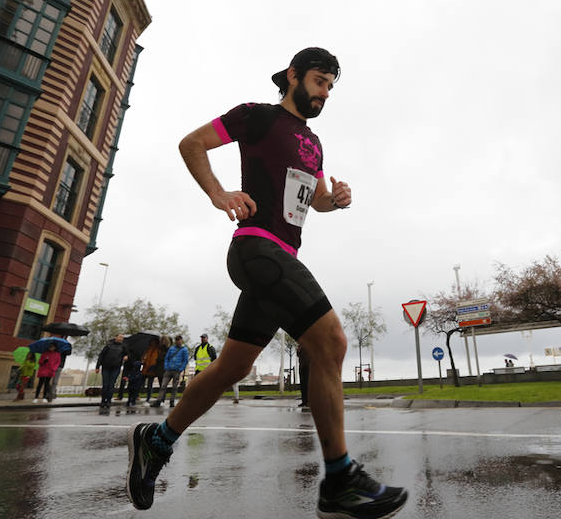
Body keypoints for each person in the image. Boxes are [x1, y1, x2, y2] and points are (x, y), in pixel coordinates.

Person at [125, 47, 407, 518]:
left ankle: (157, 439)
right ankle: (339, 480)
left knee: (232, 367)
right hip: (257, 249)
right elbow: (191, 144)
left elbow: (314, 200)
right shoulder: (256, 116)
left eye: (331, 87)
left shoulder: (314, 143)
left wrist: (336, 199)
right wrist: (220, 194)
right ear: (293, 75)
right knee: (331, 342)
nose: (325, 92)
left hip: (281, 259)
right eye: (320, 81)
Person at [151, 335, 189, 408]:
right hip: (169, 370)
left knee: (174, 387)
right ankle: (158, 401)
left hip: (177, 371)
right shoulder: (171, 348)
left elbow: (185, 361)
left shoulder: (184, 350)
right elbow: (167, 358)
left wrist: (181, 369)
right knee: (163, 386)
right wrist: (166, 366)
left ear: (181, 340)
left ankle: (172, 401)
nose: (178, 341)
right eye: (176, 340)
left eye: (179, 340)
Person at [95, 334, 128, 408]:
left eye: (122, 338)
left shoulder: (123, 346)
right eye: (120, 337)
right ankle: (103, 400)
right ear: (116, 337)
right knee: (105, 385)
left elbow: (127, 354)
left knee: (111, 385)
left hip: (116, 368)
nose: (121, 338)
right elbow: (101, 356)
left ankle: (109, 401)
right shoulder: (109, 345)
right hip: (106, 367)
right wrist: (97, 367)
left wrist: (126, 357)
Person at [140, 337, 161, 404]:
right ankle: (140, 393)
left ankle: (148, 398)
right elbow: (143, 357)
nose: (153, 343)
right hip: (145, 368)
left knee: (149, 385)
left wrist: (154, 366)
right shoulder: (148, 349)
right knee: (141, 383)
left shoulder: (158, 350)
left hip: (152, 369)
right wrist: (143, 360)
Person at [297, 343, 310, 408]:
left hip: (308, 366)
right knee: (302, 385)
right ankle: (304, 401)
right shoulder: (300, 346)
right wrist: (298, 350)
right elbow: (298, 355)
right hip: (302, 366)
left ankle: (308, 402)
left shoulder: (308, 345)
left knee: (308, 384)